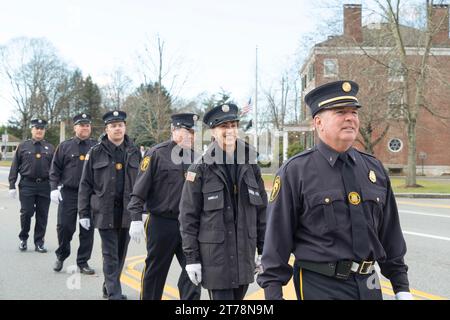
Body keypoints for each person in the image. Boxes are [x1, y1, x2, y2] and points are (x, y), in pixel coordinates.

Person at [257, 80, 413, 300]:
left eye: (354, 112)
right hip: (320, 285)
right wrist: (273, 295)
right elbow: (276, 241)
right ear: (318, 122)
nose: (350, 118)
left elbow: (390, 233)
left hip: (368, 284)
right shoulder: (295, 171)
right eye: (340, 112)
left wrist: (401, 287)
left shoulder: (373, 168)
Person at [179, 103, 267, 300]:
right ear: (212, 131)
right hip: (215, 258)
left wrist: (264, 250)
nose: (230, 131)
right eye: (224, 126)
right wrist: (192, 259)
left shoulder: (250, 164)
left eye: (233, 125)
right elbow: (188, 217)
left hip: (244, 256)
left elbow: (262, 211)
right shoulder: (199, 168)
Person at [128, 113, 202, 300]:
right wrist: (136, 217)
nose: (191, 136)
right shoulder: (156, 153)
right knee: (156, 271)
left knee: (193, 272)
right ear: (173, 130)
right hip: (162, 223)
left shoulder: (198, 158)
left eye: (193, 132)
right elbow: (140, 189)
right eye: (187, 131)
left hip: (189, 226)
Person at [78, 110, 141, 300]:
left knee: (121, 254)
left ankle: (108, 286)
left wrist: (142, 211)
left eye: (120, 125)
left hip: (127, 212)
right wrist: (83, 213)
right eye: (113, 126)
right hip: (104, 211)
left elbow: (142, 183)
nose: (117, 129)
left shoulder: (134, 151)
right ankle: (115, 293)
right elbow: (85, 184)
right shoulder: (95, 152)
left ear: (125, 127)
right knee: (110, 254)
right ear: (107, 129)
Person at [49, 113, 97, 274]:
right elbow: (54, 169)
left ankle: (83, 262)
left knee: (87, 230)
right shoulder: (64, 146)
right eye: (81, 125)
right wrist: (54, 188)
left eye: (87, 125)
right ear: (75, 127)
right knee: (65, 228)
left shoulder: (96, 146)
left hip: (90, 195)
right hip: (69, 193)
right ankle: (61, 255)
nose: (85, 128)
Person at [8, 119, 55, 253]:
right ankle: (23, 238)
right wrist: (12, 184)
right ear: (32, 130)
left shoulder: (50, 148)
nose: (39, 130)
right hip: (27, 184)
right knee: (26, 212)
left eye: (41, 128)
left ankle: (39, 242)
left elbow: (55, 168)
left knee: (42, 215)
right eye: (36, 128)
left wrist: (57, 186)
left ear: (44, 130)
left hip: (45, 185)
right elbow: (15, 166)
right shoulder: (23, 146)